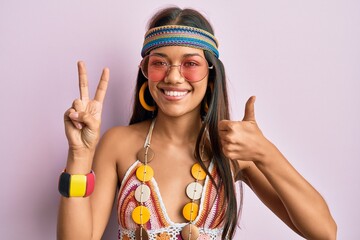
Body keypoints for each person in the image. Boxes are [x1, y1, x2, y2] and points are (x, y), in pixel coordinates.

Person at [57, 7, 337, 240]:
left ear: (211, 74)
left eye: (190, 63)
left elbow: (324, 233)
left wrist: (265, 153)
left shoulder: (232, 149)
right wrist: (79, 155)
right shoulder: (118, 143)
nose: (174, 77)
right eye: (160, 63)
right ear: (146, 73)